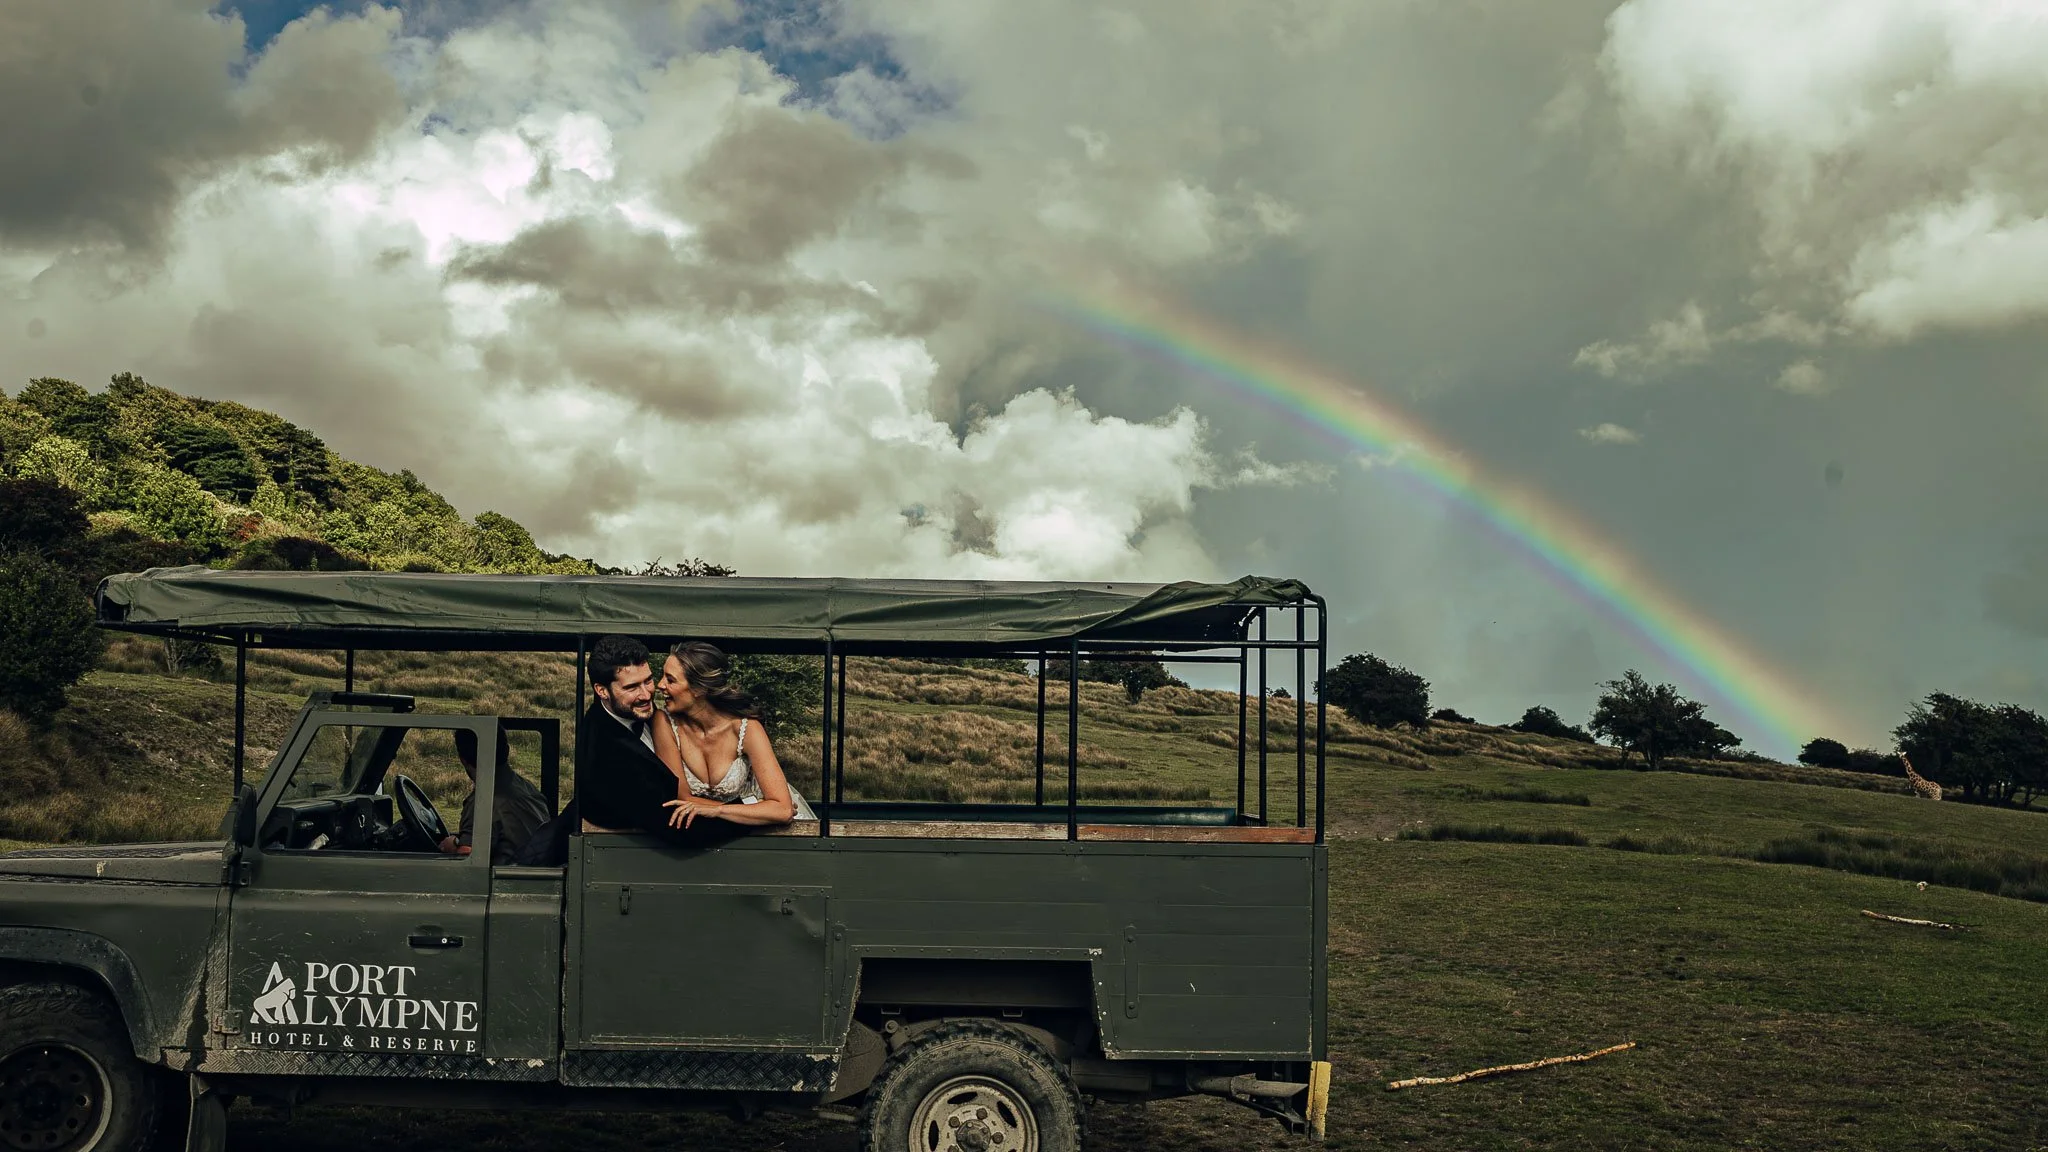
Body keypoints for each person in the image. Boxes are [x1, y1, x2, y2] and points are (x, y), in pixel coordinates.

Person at [574, 634, 744, 847]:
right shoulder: (607, 757)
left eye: (648, 680)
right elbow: (680, 828)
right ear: (602, 691)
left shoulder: (643, 715)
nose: (647, 695)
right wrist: (757, 811)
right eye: (632, 687)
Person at [652, 641, 815, 829]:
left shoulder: (747, 728)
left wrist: (718, 811)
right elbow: (682, 799)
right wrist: (755, 810)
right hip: (720, 828)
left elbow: (783, 810)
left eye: (670, 680)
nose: (660, 685)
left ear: (699, 689)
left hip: (761, 832)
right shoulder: (663, 722)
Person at [439, 728, 551, 866]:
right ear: (507, 750)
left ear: (463, 760)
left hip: (509, 881)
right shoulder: (526, 787)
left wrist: (452, 847)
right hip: (530, 872)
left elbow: (468, 859)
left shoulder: (484, 800)